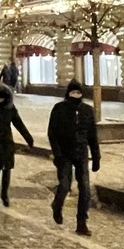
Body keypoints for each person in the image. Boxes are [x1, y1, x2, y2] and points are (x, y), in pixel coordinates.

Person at [48, 79, 101, 236]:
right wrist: (57, 153)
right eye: (73, 92)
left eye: (78, 93)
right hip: (64, 153)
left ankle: (81, 222)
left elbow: (92, 135)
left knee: (84, 187)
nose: (76, 95)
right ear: (68, 94)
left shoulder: (87, 110)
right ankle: (57, 205)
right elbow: (52, 133)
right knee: (65, 185)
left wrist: (96, 156)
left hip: (81, 153)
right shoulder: (59, 109)